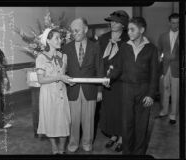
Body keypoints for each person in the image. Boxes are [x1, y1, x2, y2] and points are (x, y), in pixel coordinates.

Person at [104, 17, 158, 154]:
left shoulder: (151, 49)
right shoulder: (124, 47)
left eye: (132, 30)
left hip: (144, 92)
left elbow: (154, 74)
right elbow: (118, 68)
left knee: (141, 125)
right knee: (127, 125)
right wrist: (108, 78)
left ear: (142, 30)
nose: (129, 33)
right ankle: (127, 153)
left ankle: (139, 153)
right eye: (128, 30)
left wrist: (151, 94)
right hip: (127, 90)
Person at [63, 18, 103, 152]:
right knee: (73, 121)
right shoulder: (66, 47)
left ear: (85, 29)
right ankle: (73, 143)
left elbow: (100, 69)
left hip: (90, 90)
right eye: (72, 31)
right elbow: (63, 70)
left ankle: (87, 143)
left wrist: (99, 91)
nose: (74, 33)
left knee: (89, 120)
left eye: (77, 30)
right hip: (72, 90)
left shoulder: (95, 46)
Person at [36, 28, 72, 154]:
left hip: (61, 93)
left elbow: (64, 75)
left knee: (63, 122)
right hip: (48, 94)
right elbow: (41, 80)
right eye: (56, 38)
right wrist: (59, 77)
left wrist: (68, 80)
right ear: (48, 41)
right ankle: (54, 147)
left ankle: (61, 148)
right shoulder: (41, 57)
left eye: (60, 38)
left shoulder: (64, 56)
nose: (60, 40)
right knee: (50, 121)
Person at [98, 10, 129, 152]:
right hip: (106, 82)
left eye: (116, 21)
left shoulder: (129, 38)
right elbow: (98, 60)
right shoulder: (103, 38)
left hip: (121, 82)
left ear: (123, 24)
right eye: (111, 21)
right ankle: (113, 135)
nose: (112, 23)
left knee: (121, 110)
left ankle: (122, 137)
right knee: (109, 110)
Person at [157, 13, 179, 125]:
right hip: (165, 67)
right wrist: (160, 60)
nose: (176, 25)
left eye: (178, 22)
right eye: (174, 23)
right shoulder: (163, 36)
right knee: (165, 90)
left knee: (175, 92)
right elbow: (159, 51)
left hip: (177, 68)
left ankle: (173, 115)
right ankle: (164, 111)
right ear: (169, 23)